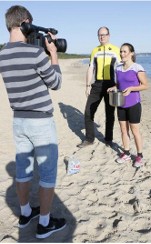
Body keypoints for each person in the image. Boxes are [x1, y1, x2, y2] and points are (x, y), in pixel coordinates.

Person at [0, 5, 66, 239]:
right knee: (47, 174)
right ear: (26, 22)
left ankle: (26, 212)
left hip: (19, 120)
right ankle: (45, 224)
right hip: (40, 121)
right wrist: (54, 54)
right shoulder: (35, 53)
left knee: (23, 171)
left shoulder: (3, 55)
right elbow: (56, 83)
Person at [77, 26, 121, 148]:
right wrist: (87, 85)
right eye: (99, 35)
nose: (102, 37)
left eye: (104, 34)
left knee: (110, 114)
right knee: (88, 112)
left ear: (109, 35)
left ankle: (108, 139)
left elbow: (121, 69)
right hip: (96, 84)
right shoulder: (95, 51)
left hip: (111, 85)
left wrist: (119, 85)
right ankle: (89, 139)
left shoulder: (116, 50)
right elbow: (91, 68)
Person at [107, 43, 148, 167]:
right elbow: (120, 85)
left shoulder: (137, 67)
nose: (122, 54)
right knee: (123, 131)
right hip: (120, 104)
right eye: (121, 51)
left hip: (134, 104)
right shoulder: (118, 68)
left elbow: (145, 85)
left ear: (131, 53)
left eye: (125, 51)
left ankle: (139, 156)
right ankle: (126, 153)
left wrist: (131, 89)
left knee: (135, 131)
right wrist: (113, 87)